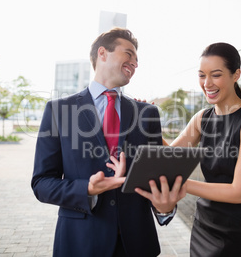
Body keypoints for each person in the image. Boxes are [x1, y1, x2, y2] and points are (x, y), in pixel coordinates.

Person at [31, 27, 185, 257]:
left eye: (136, 59)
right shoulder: (59, 110)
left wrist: (165, 208)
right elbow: (41, 183)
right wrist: (87, 189)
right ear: (102, 53)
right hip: (80, 242)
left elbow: (155, 178)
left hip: (136, 244)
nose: (134, 63)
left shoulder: (147, 113)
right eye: (129, 54)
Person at [136, 42, 241, 256]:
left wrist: (181, 184)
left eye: (216, 75)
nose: (207, 83)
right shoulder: (202, 118)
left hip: (237, 231)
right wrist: (145, 121)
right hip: (204, 224)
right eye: (202, 75)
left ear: (236, 75)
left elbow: (239, 193)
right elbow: (170, 155)